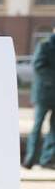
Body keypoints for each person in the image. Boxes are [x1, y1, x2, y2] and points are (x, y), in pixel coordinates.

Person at [25, 33, 55, 169]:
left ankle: (47, 159)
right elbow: (38, 65)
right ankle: (30, 159)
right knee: (37, 126)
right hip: (43, 94)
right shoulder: (44, 45)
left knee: (54, 129)